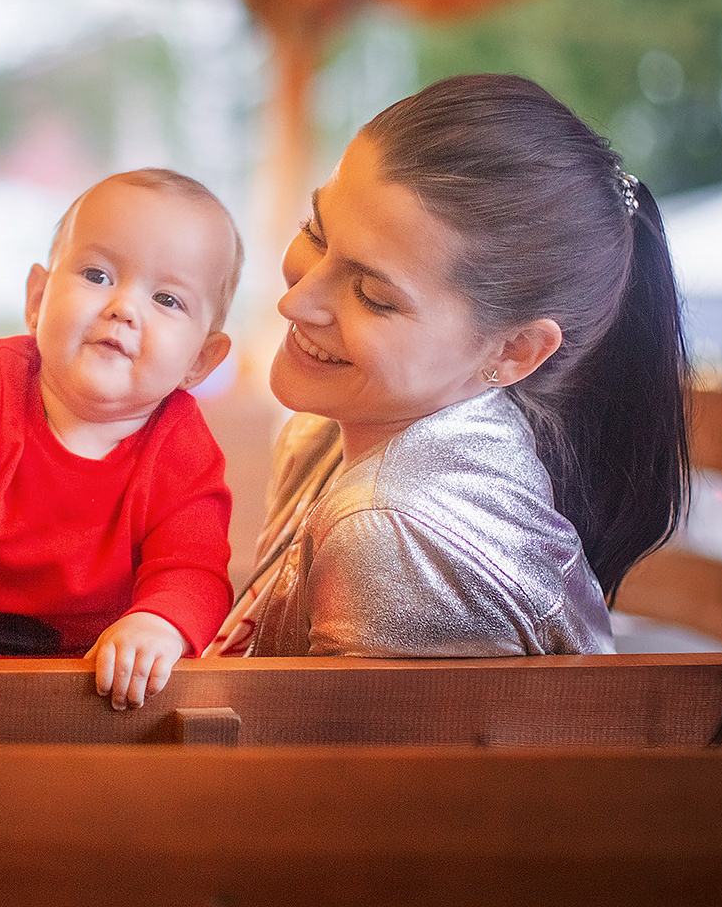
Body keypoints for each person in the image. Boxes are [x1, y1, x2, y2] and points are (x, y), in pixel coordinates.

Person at [210, 73, 687, 658]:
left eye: (372, 296)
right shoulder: (333, 427)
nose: (295, 301)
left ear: (513, 352)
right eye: (316, 232)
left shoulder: (393, 530)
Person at [0, 170, 240, 708]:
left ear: (201, 359)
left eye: (168, 299)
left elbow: (193, 569)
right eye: (98, 275)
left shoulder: (183, 448)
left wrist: (157, 624)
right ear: (37, 299)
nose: (123, 307)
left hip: (98, 679)